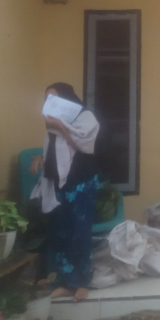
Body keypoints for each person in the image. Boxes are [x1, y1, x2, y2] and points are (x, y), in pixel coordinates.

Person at [29, 83, 100, 302]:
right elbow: (54, 150)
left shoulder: (85, 117)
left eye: (54, 98)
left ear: (66, 99)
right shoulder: (51, 123)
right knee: (59, 233)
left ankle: (80, 284)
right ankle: (62, 283)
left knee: (78, 232)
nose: (49, 103)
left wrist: (61, 126)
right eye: (46, 99)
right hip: (59, 185)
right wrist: (41, 158)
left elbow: (83, 145)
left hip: (81, 183)